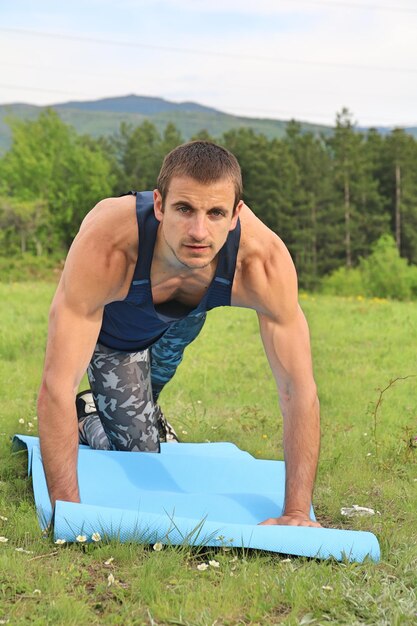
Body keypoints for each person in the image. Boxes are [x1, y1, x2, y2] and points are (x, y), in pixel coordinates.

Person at [37, 140, 321, 527]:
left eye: (216, 212)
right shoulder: (108, 247)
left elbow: (297, 389)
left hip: (183, 319)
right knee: (140, 454)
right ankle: (91, 415)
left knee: (172, 343)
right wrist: (69, 510)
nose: (199, 231)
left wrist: (295, 512)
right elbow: (56, 384)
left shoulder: (261, 261)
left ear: (236, 214)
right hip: (117, 338)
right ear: (159, 205)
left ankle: (141, 403)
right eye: (184, 209)